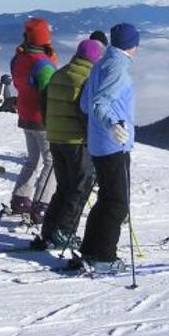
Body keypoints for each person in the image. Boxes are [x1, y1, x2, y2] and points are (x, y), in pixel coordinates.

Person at [77, 23, 139, 274]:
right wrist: (112, 125)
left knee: (107, 199)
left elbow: (84, 103)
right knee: (117, 202)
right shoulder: (118, 68)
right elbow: (98, 104)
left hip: (98, 143)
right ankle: (102, 256)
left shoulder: (100, 64)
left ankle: (92, 249)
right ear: (134, 44)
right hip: (114, 144)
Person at [31, 38, 104, 251]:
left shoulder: (59, 73)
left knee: (63, 187)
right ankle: (65, 231)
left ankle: (50, 230)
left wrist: (51, 127)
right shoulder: (88, 78)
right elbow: (86, 112)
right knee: (80, 187)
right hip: (76, 140)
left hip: (55, 138)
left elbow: (43, 103)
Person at [10, 18, 59, 223]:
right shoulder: (43, 63)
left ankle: (20, 198)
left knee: (32, 159)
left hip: (24, 113)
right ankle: (42, 204)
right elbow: (50, 93)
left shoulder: (18, 58)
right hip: (41, 117)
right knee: (51, 161)